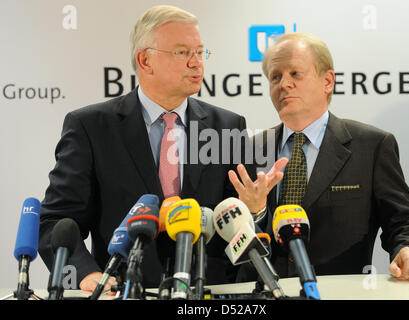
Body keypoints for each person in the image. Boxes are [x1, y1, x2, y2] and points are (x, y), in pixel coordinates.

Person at [38, 5, 284, 293]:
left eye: (200, 52)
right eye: (182, 52)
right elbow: (55, 221)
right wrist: (85, 274)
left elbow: (237, 224)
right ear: (145, 60)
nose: (196, 63)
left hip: (209, 292)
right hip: (124, 291)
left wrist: (254, 211)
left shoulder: (227, 125)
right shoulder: (91, 127)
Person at [229, 32, 409, 281]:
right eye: (275, 77)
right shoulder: (248, 149)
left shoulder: (371, 145)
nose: (284, 84)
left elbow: (402, 220)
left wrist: (408, 248)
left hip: (340, 292)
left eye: (295, 74)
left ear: (327, 81)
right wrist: (256, 214)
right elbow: (231, 237)